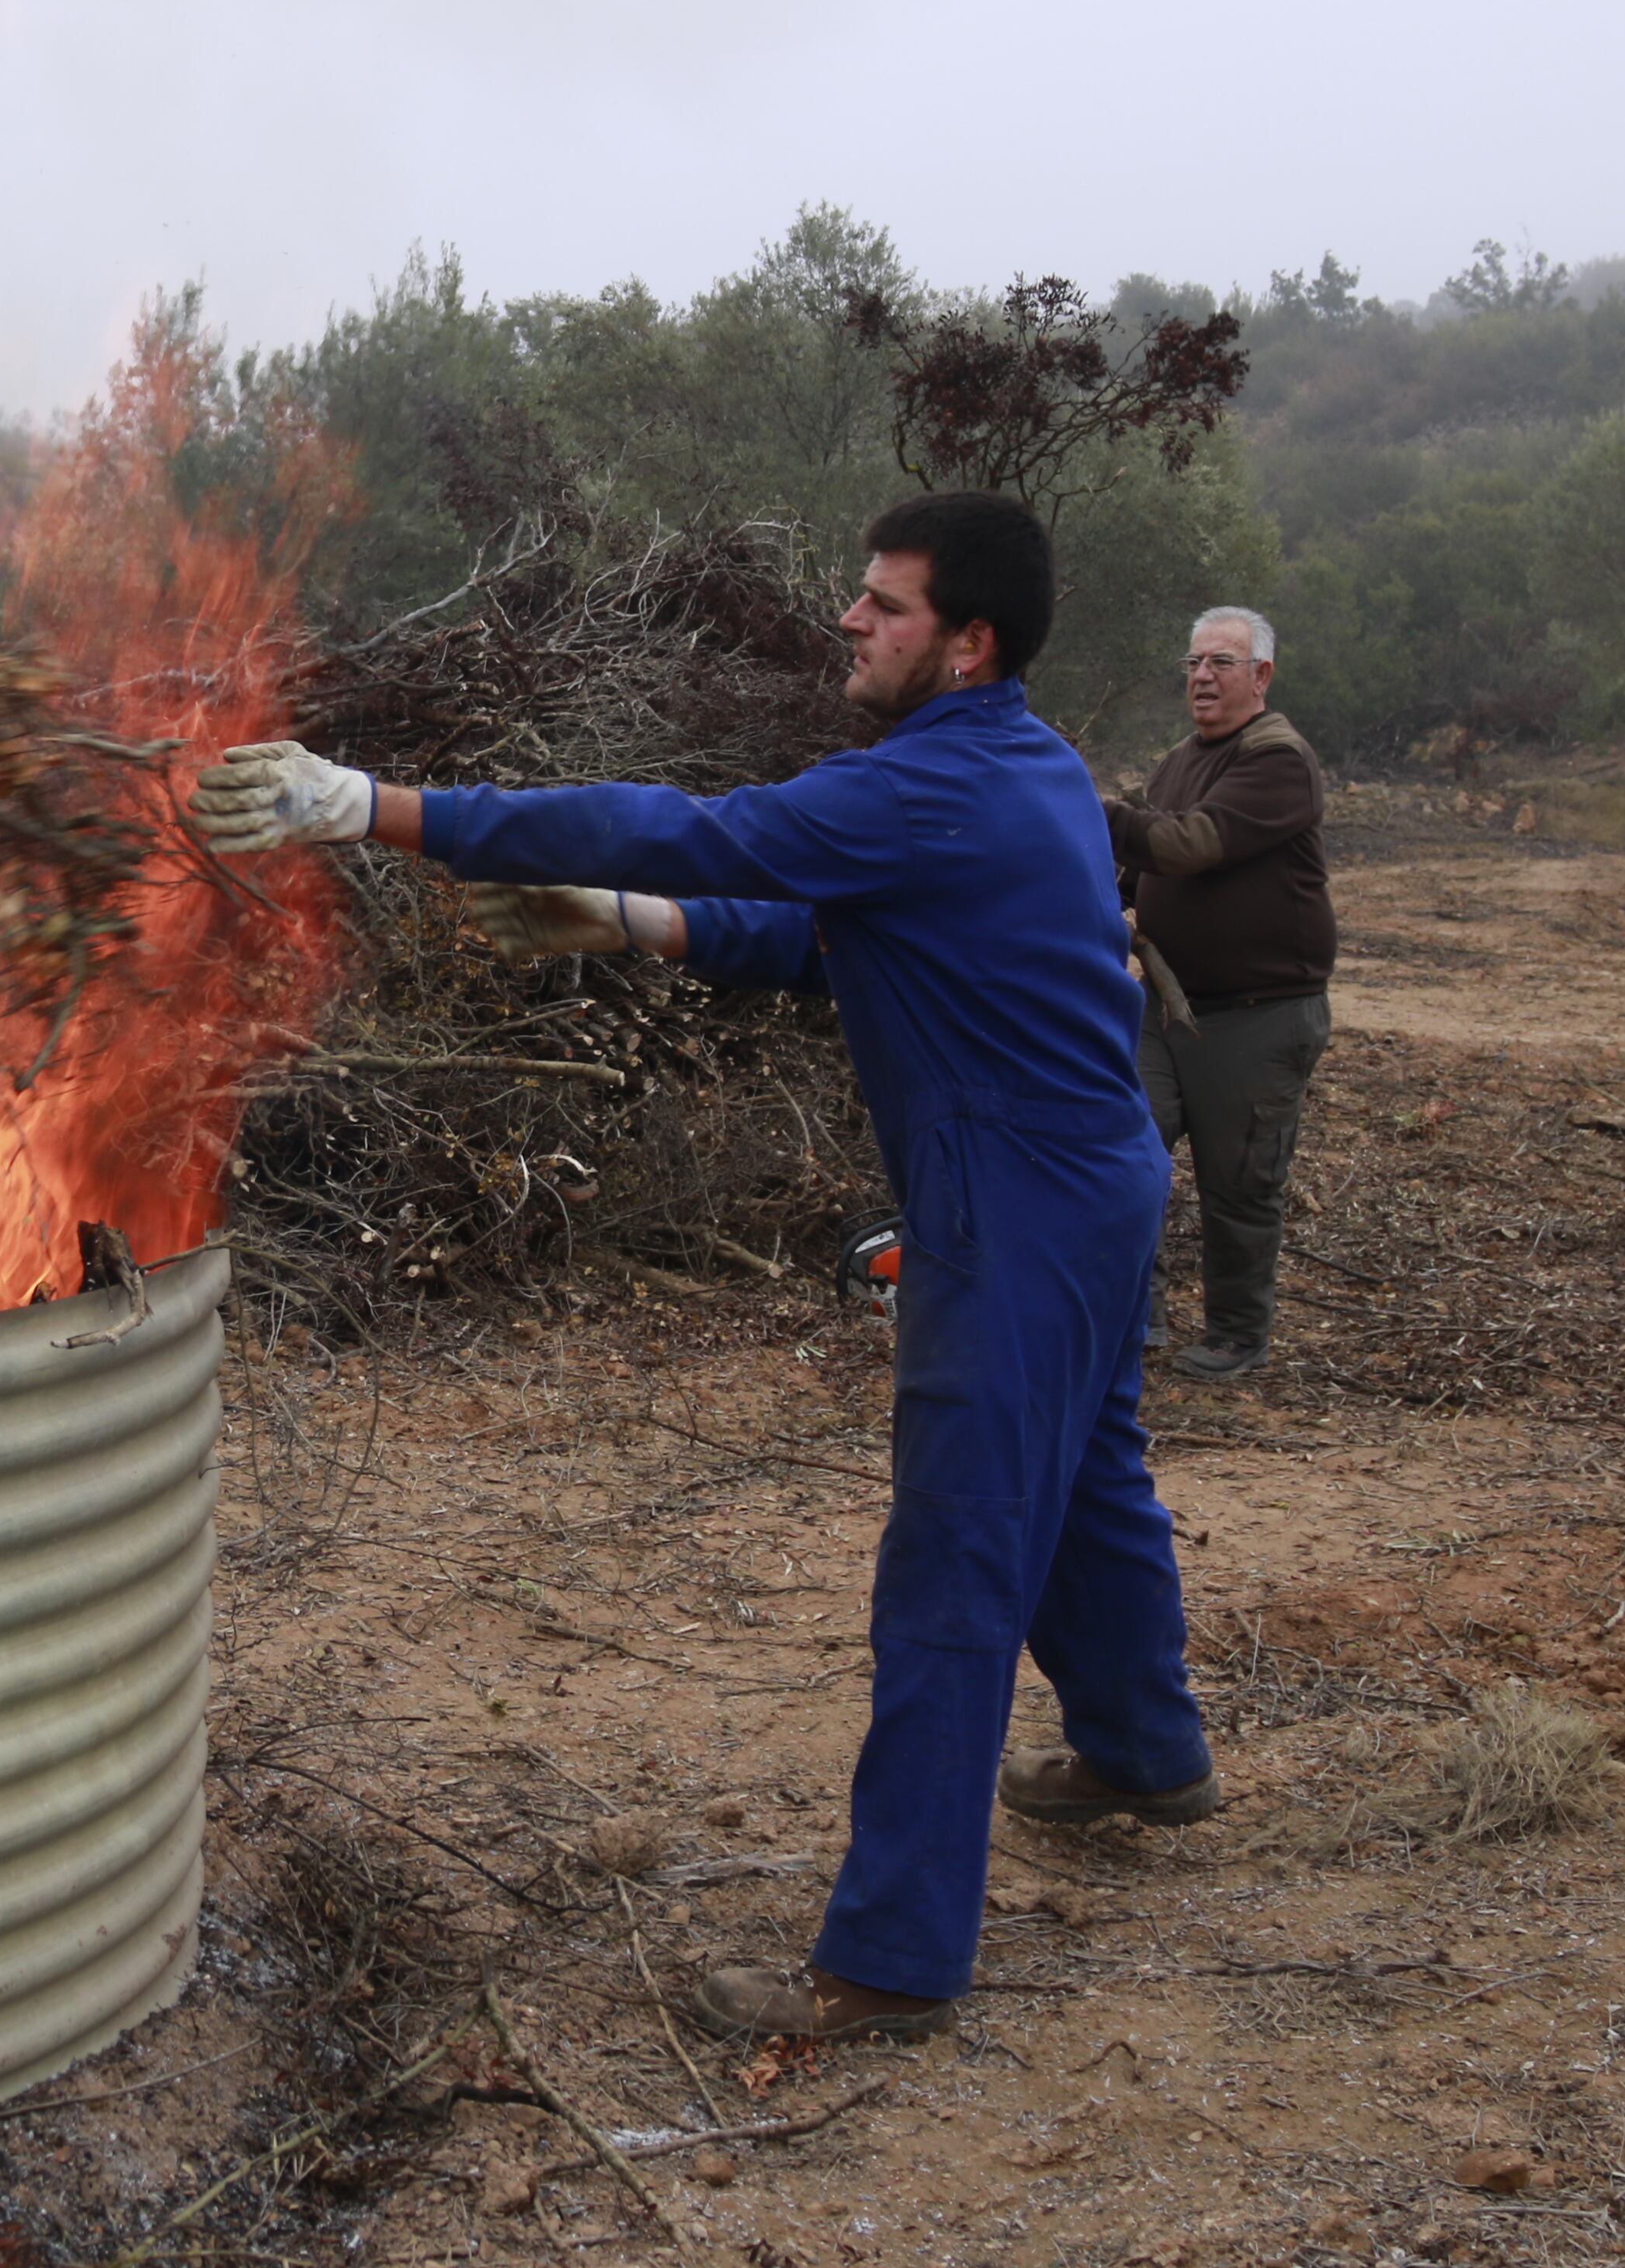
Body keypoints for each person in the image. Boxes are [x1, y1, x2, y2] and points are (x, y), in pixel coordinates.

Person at [189, 491, 1215, 2045]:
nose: (851, 622)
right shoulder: (1016, 762)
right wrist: (633, 924)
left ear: (967, 644)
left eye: (884, 605)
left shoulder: (937, 783)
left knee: (956, 1558)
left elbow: (701, 823)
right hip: (1087, 1180)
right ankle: (1146, 1752)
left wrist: (372, 806)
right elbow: (831, 934)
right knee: (1087, 1484)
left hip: (1013, 1205)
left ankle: (889, 1960)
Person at [1109, 608, 1335, 1378]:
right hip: (1168, 1004)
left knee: (1237, 1182)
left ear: (1260, 677)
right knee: (1122, 1146)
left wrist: (1086, 810)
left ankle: (1237, 1336)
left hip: (1258, 1014)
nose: (1201, 676)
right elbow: (1137, 870)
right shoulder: (1178, 760)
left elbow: (1186, 844)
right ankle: (1134, 1317)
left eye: (1221, 663)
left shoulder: (1277, 758)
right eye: (1193, 661)